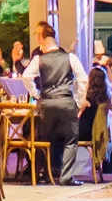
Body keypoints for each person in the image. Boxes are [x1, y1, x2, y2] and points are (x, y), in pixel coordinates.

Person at [31, 22, 82, 184]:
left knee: (47, 138)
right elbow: (83, 79)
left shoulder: (39, 59)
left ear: (44, 40)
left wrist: (36, 94)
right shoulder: (69, 57)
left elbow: (26, 77)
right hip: (66, 101)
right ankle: (65, 177)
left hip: (47, 103)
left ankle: (48, 173)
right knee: (70, 139)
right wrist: (79, 101)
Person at [78, 64, 112, 182]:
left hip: (84, 133)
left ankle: (58, 170)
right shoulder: (106, 100)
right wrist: (111, 96)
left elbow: (78, 115)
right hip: (99, 135)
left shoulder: (86, 98)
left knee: (61, 138)